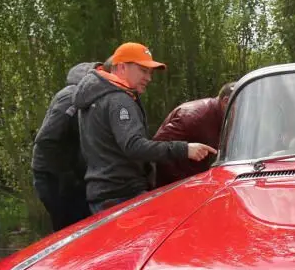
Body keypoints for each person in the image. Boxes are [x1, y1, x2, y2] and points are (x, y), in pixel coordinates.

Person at [72, 42, 216, 213]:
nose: (149, 78)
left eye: (150, 72)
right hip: (122, 196)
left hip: (103, 194)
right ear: (122, 67)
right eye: (143, 70)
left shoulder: (95, 97)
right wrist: (185, 149)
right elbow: (134, 146)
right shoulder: (119, 100)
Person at [31, 61, 102, 231]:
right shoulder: (71, 97)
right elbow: (46, 140)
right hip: (53, 176)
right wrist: (69, 176)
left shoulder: (90, 99)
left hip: (69, 174)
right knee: (70, 227)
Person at [153, 81, 236, 185]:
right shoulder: (193, 116)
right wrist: (182, 180)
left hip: (202, 181)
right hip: (178, 184)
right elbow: (158, 146)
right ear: (226, 101)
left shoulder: (224, 117)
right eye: (241, 105)